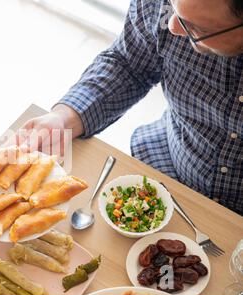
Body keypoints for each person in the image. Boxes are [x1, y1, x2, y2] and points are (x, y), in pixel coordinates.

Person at [16, 0, 243, 215]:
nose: (172, 26)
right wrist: (63, 119)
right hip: (166, 164)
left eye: (196, 27)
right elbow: (129, 64)